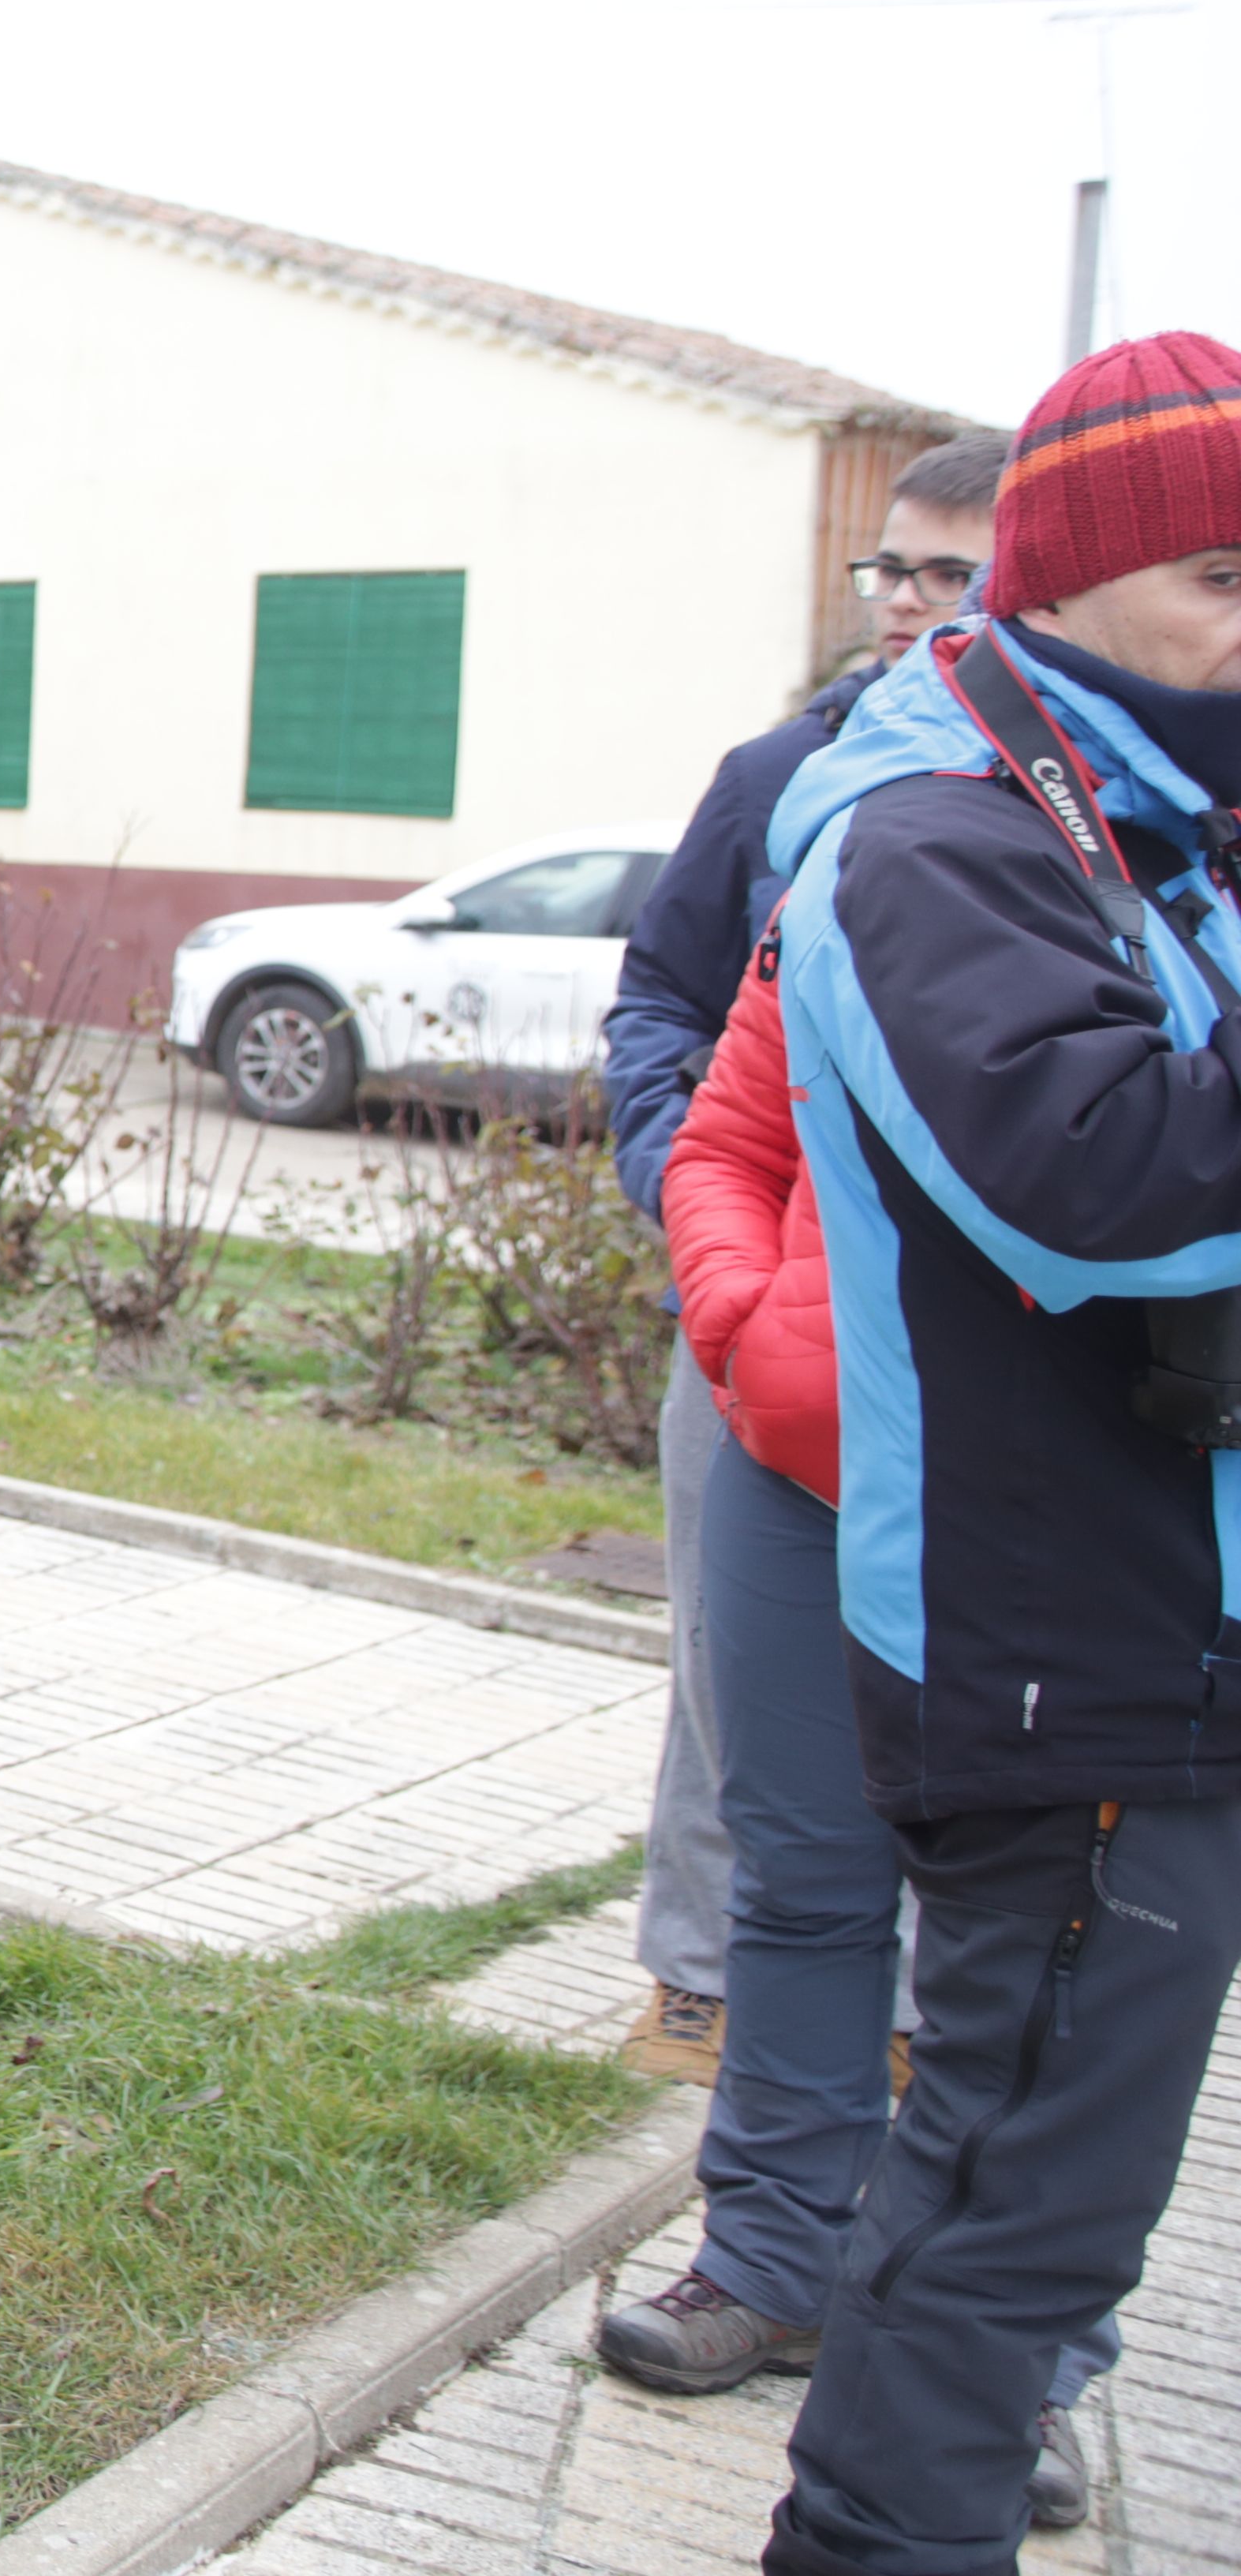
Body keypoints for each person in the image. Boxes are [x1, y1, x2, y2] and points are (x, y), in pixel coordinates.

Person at [755, 331, 1241, 2576]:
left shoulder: (1143, 809)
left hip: (1158, 1620)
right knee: (1001, 2224)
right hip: (1065, 1648)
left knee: (1030, 2208)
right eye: (1223, 580)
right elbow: (1094, 1172)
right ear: (1066, 587)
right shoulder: (935, 831)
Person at [603, 909, 1111, 2525]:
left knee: (1047, 1943)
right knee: (801, 1885)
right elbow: (730, 1131)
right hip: (806, 1451)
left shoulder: (1181, 850)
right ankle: (769, 2262)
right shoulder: (865, 837)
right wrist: (749, 1319)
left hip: (1086, 1482)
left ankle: (1011, 2366)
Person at [596, 432, 1011, 2093]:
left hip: (987, 1339)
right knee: (727, 1660)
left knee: (952, 1672)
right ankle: (695, 1983)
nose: (907, 603)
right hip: (754, 1317)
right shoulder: (781, 775)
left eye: (949, 575)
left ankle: (917, 2013)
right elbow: (660, 999)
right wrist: (692, 1210)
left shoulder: (1076, 799)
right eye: (890, 569)